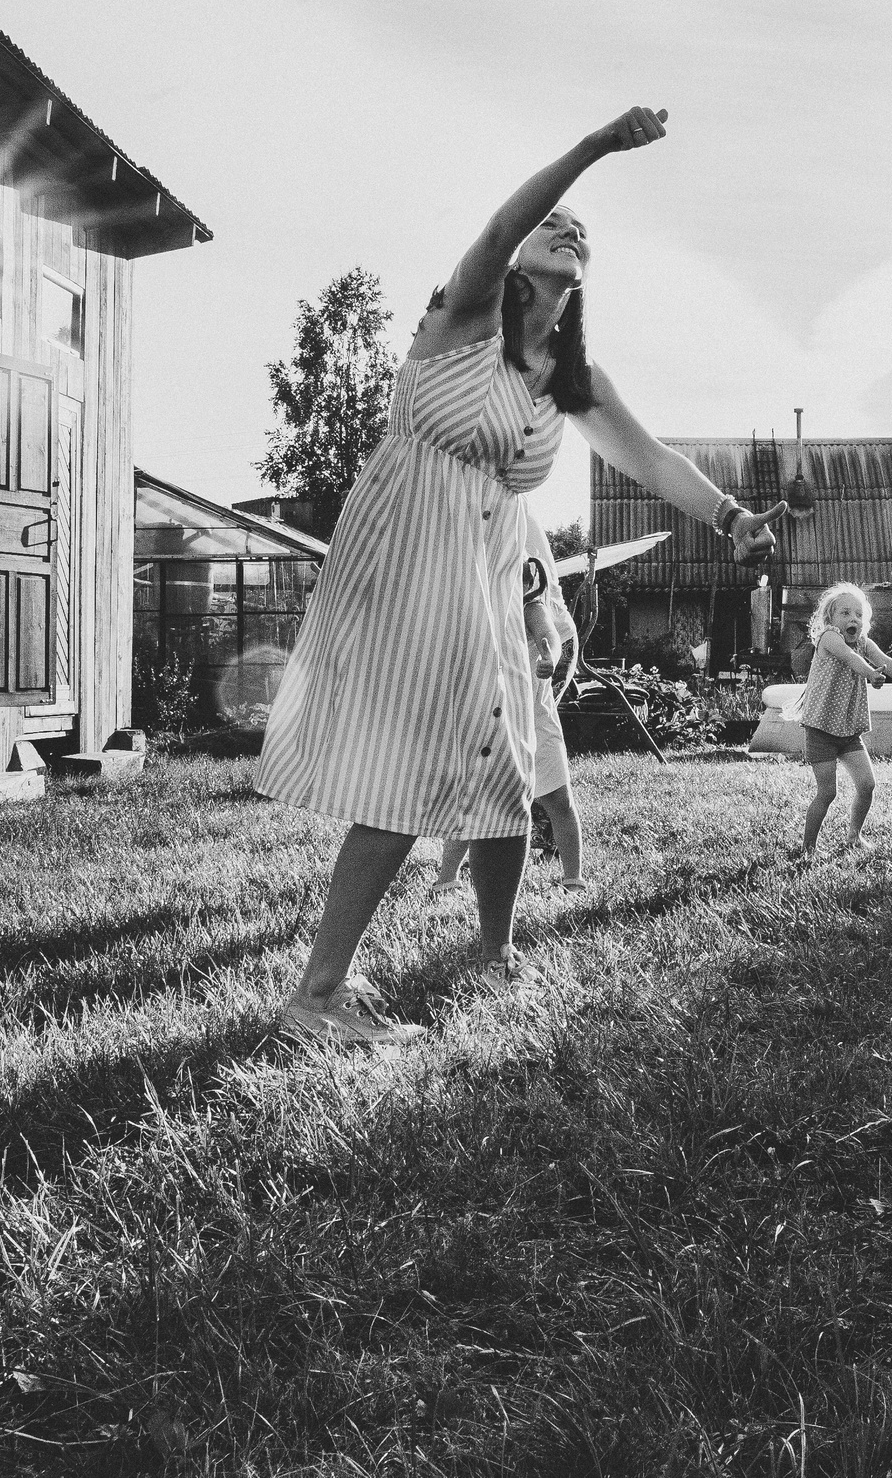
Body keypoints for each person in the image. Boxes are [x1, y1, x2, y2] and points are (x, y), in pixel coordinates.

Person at [257, 107, 786, 1047]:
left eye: (582, 231)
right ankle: (318, 993)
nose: (568, 226)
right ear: (518, 266)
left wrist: (733, 517)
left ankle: (493, 953)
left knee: (505, 758)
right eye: (555, 223)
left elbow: (652, 459)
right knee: (410, 766)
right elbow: (505, 227)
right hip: (413, 549)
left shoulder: (567, 375)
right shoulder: (462, 316)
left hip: (488, 566)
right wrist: (592, 150)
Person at [431, 540, 587, 897]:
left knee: (559, 801)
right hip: (491, 724)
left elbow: (548, 635)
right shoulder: (476, 611)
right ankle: (447, 877)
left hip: (535, 722)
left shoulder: (530, 608)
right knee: (472, 805)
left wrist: (549, 654)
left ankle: (573, 876)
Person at [792, 582, 892, 856]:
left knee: (867, 785)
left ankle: (854, 836)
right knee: (827, 793)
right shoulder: (829, 638)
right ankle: (808, 848)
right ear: (830, 618)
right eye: (845, 613)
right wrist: (871, 674)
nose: (853, 619)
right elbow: (850, 659)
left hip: (848, 730)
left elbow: (885, 659)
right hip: (822, 728)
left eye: (859, 615)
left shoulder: (863, 642)